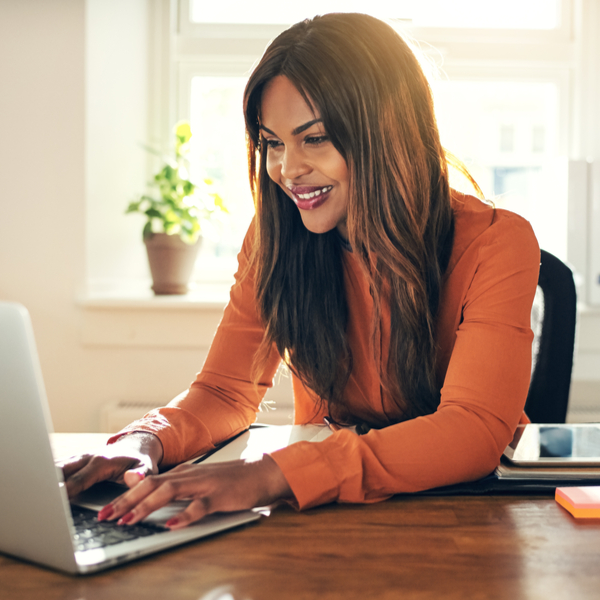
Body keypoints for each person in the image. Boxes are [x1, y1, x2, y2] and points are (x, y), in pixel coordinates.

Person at [59, 12, 540, 530]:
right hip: (325, 513)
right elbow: (225, 392)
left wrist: (269, 476)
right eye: (272, 143)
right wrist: (143, 440)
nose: (287, 170)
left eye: (314, 139)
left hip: (465, 515)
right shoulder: (275, 239)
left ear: (387, 132)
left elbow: (471, 431)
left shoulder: (497, 242)